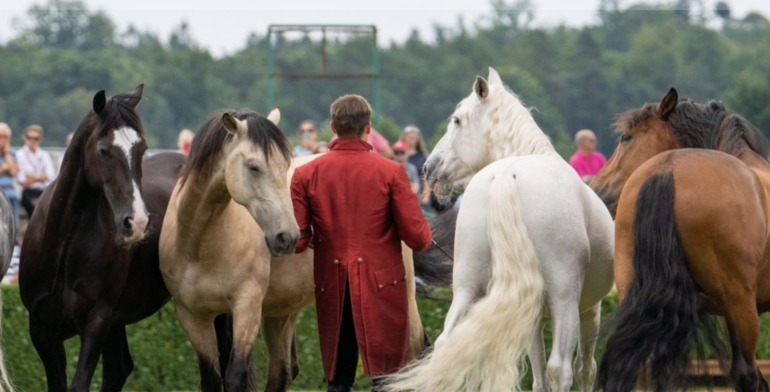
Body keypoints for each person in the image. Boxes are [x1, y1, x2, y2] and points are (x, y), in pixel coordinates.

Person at [291, 94, 431, 392]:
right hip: (383, 285)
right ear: (368, 128)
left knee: (338, 383)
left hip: (333, 285)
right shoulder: (391, 172)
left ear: (332, 127)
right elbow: (419, 239)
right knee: (386, 380)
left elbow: (299, 241)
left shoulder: (304, 174)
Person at [16, 125, 55, 219]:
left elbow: (51, 175)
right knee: (35, 210)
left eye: (36, 138)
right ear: (25, 138)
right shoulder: (19, 154)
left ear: (39, 139)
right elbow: (21, 179)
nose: (32, 140)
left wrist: (32, 177)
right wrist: (41, 177)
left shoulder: (44, 155)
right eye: (30, 138)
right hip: (27, 192)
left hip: (43, 190)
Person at [400, 125, 431, 209]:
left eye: (414, 137)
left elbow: (427, 178)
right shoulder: (398, 154)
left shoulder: (423, 158)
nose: (412, 139)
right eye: (410, 137)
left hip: (418, 196)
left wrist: (426, 195)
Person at [0, 123, 20, 227]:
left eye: (6, 137)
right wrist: (5, 166)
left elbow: (14, 171)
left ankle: (15, 238)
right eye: (0, 136)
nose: (3, 140)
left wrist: (7, 153)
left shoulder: (11, 153)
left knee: (14, 223)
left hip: (10, 193)